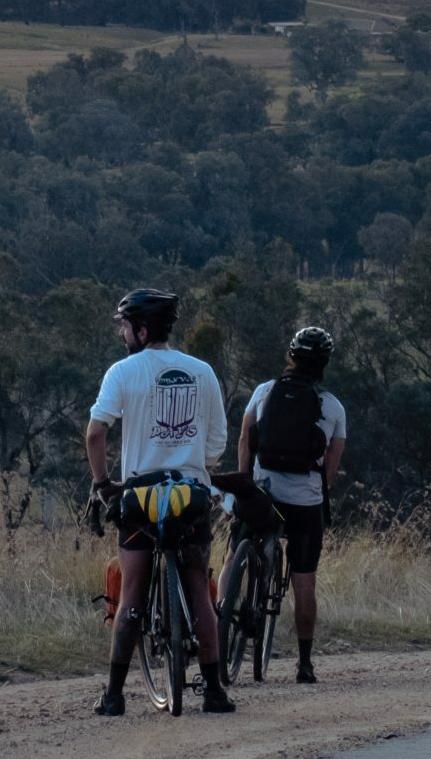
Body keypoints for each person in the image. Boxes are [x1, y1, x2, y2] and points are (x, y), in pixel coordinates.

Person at [86, 286, 234, 716]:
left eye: (125, 327)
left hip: (140, 496)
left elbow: (96, 433)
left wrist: (102, 483)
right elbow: (217, 442)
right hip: (190, 495)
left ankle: (114, 696)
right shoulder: (202, 371)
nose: (122, 335)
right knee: (197, 587)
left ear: (142, 329)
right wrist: (197, 464)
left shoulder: (123, 372)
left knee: (132, 591)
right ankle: (213, 691)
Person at [236, 325, 348, 684]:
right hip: (305, 503)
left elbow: (244, 438)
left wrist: (245, 484)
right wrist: (313, 491)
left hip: (262, 491)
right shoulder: (333, 406)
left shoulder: (265, 392)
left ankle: (226, 607)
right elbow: (331, 465)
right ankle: (304, 664)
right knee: (304, 581)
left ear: (291, 356)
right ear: (325, 363)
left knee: (234, 550)